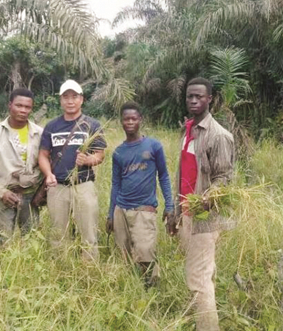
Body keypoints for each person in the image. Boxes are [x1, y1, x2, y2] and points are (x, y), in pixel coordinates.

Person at [172, 77, 235, 331]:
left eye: (199, 96)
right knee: (203, 274)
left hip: (204, 220)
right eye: (190, 96)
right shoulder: (189, 130)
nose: (194, 100)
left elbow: (224, 180)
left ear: (210, 99)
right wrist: (177, 211)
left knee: (197, 279)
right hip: (187, 214)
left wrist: (204, 202)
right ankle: (201, 320)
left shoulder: (219, 136)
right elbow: (184, 173)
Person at [107, 102, 175, 287]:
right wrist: (110, 214)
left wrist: (170, 206)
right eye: (126, 119)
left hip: (144, 210)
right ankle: (132, 290)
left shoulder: (153, 146)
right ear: (121, 122)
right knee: (124, 255)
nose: (130, 122)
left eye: (133, 119)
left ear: (140, 120)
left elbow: (163, 176)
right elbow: (116, 184)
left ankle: (151, 291)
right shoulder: (118, 152)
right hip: (121, 210)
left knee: (146, 254)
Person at [38, 79, 106, 261]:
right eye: (65, 97)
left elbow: (100, 155)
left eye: (74, 96)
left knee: (88, 232)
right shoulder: (52, 126)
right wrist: (48, 174)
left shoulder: (92, 125)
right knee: (58, 233)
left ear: (81, 99)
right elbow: (43, 155)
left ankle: (89, 270)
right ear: (60, 100)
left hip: (84, 185)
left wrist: (88, 160)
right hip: (57, 186)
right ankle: (61, 270)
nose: (70, 101)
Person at [0, 88, 43, 242]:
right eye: (19, 105)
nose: (23, 110)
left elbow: (45, 162)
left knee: (31, 240)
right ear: (10, 105)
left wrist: (32, 183)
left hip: (30, 195)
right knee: (2, 242)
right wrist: (1, 192)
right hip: (3, 196)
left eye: (27, 107)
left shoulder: (40, 133)